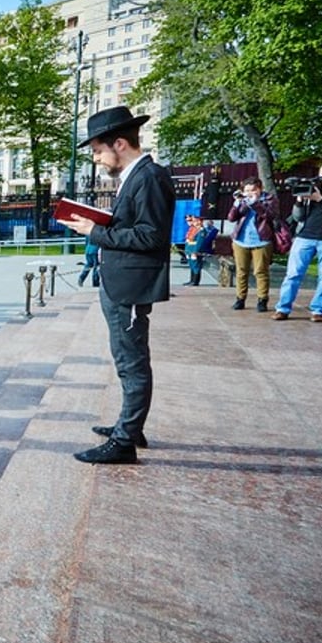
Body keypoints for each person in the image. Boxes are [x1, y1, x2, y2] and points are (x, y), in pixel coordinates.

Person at [59, 106, 175, 465]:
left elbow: (152, 236)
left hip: (132, 286)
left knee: (132, 361)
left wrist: (95, 231)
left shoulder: (150, 177)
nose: (96, 159)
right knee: (126, 358)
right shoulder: (136, 177)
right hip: (121, 281)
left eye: (97, 150)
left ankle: (125, 440)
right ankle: (130, 425)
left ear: (119, 143)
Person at [272, 161, 322, 322]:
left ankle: (319, 310)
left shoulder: (317, 194)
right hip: (304, 237)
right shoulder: (311, 188)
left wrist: (320, 199)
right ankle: (282, 308)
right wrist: (299, 201)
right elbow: (298, 217)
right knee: (293, 274)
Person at [227, 177, 279, 312]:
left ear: (260, 189)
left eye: (253, 190)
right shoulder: (242, 200)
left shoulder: (269, 199)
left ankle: (262, 300)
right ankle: (240, 299)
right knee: (241, 271)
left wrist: (255, 203)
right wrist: (237, 204)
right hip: (241, 240)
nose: (250, 193)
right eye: (247, 190)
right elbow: (231, 218)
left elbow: (270, 216)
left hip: (261, 240)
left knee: (260, 272)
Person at [184, 218, 218, 287]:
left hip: (195, 250)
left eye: (195, 221)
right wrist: (187, 251)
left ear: (200, 222)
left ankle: (195, 281)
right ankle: (192, 280)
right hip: (190, 250)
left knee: (196, 266)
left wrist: (195, 252)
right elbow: (188, 241)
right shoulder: (193, 229)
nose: (194, 222)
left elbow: (199, 243)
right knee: (192, 265)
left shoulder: (201, 231)